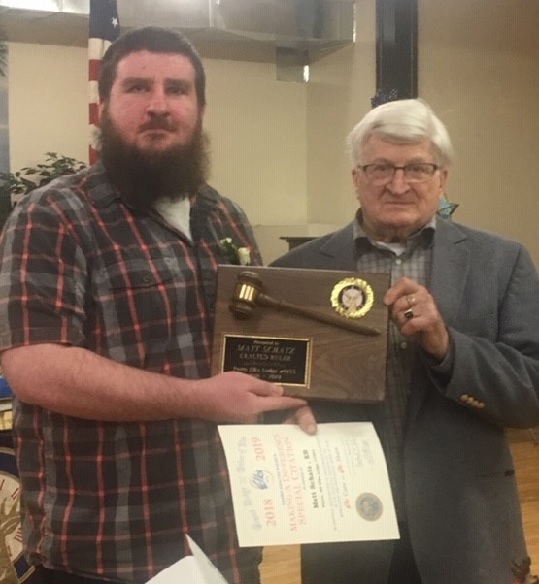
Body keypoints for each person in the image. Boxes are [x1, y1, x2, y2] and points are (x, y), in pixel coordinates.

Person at [0, 26, 306, 584]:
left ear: (201, 108)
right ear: (106, 104)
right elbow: (35, 369)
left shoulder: (226, 217)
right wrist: (200, 399)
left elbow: (255, 349)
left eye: (178, 89)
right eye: (138, 87)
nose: (159, 105)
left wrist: (289, 401)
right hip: (105, 552)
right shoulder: (55, 216)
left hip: (226, 541)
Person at [271, 98, 539, 584]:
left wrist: (447, 347)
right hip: (345, 529)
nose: (398, 184)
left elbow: (533, 394)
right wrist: (283, 411)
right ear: (356, 176)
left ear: (442, 179)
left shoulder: (502, 262)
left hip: (466, 529)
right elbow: (265, 387)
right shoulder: (295, 272)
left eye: (416, 167)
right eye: (380, 168)